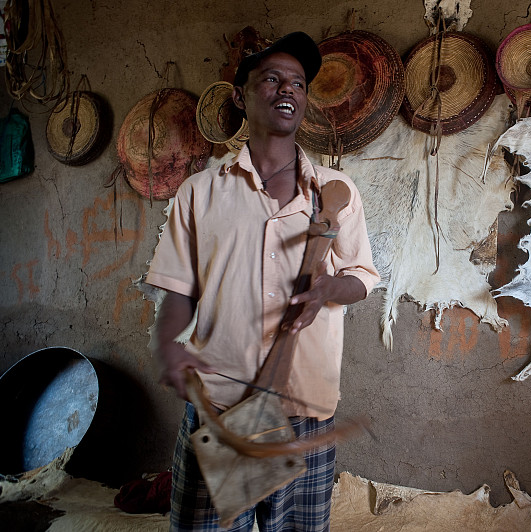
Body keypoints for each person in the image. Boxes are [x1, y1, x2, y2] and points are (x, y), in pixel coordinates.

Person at [146, 31, 380, 531]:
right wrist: (167, 345)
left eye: (297, 82)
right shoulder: (199, 193)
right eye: (271, 79)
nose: (287, 90)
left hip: (304, 410)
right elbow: (179, 290)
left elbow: (361, 276)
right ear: (242, 96)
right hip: (222, 411)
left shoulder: (335, 192)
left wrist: (326, 292)